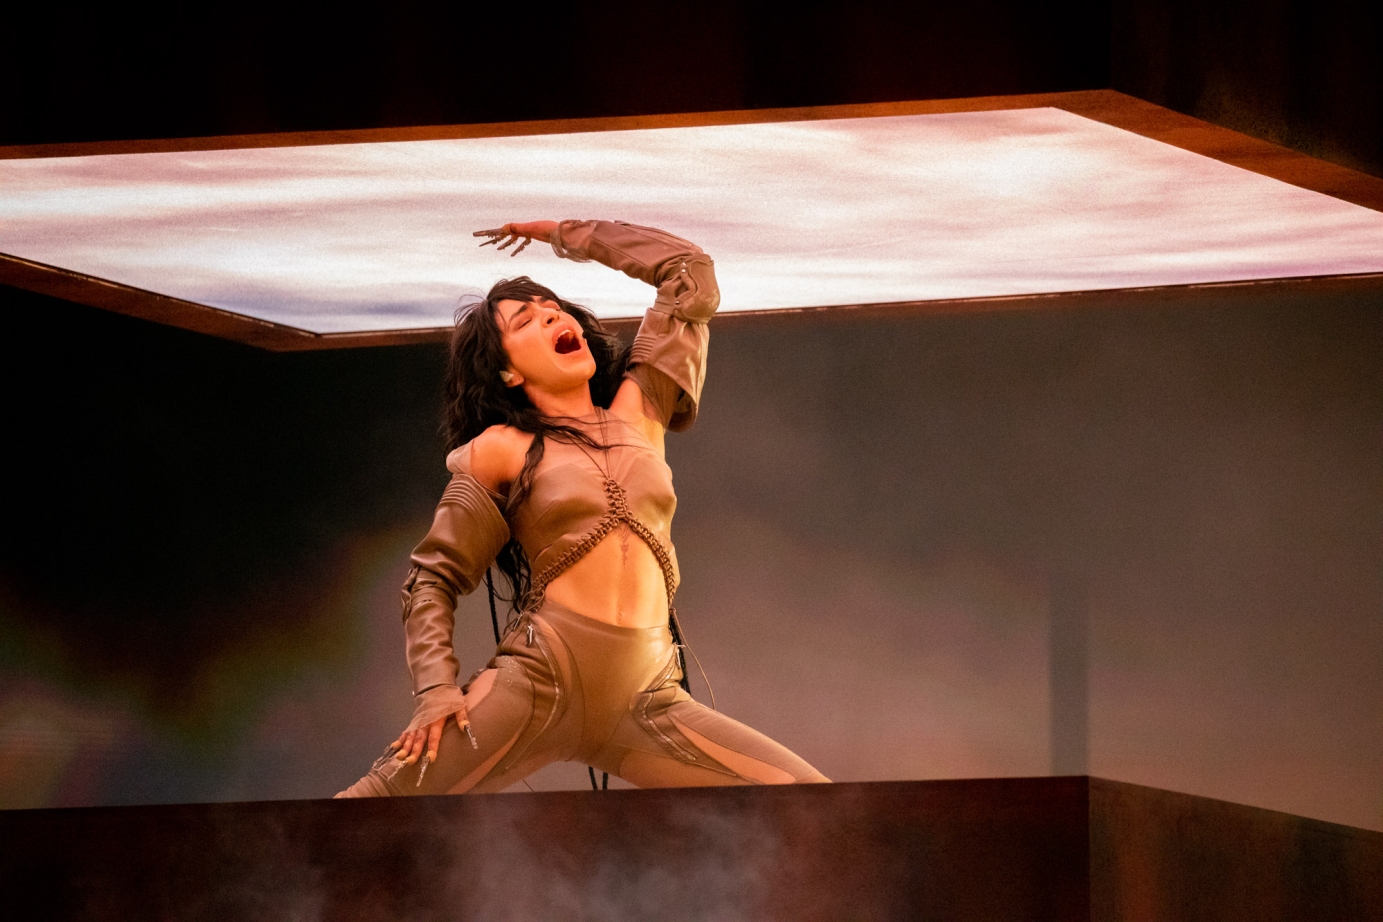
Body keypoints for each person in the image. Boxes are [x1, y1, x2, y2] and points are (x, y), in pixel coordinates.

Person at [336, 219, 828, 796]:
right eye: (527, 321)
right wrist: (435, 690)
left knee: (815, 801)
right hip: (538, 685)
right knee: (365, 811)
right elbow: (431, 579)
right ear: (507, 371)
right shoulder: (501, 449)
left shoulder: (642, 409)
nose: (552, 318)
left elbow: (688, 272)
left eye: (554, 309)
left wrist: (560, 233)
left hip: (649, 700)